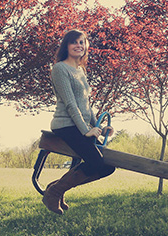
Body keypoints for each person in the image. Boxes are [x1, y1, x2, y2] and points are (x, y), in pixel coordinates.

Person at [42, 29, 116, 215]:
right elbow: (71, 105)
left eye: (82, 42)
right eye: (74, 42)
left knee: (108, 166)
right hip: (66, 125)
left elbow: (85, 105)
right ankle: (55, 192)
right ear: (66, 46)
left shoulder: (80, 71)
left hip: (80, 126)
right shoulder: (60, 69)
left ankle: (56, 188)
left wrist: (98, 127)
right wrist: (86, 131)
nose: (78, 46)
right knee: (96, 163)